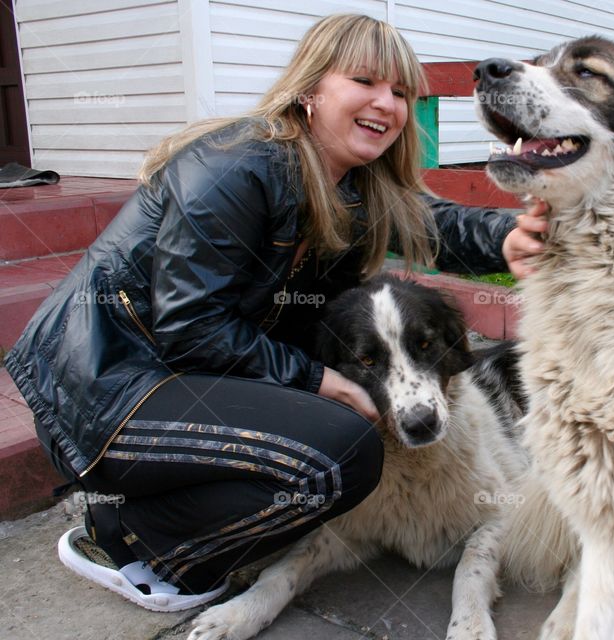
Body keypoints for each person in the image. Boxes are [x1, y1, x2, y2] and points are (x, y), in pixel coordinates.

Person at [3, 13, 548, 611]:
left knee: (343, 439)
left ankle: (174, 513)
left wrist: (505, 237)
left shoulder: (353, 183)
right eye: (364, 80)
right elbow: (191, 326)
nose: (386, 104)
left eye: (399, 91)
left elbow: (434, 220)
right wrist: (318, 379)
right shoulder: (237, 167)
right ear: (311, 88)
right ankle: (126, 535)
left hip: (188, 379)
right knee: (338, 450)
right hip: (102, 391)